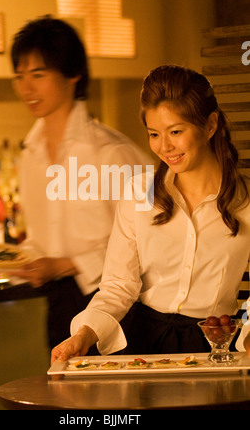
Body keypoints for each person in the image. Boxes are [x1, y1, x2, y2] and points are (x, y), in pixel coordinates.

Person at [51, 64, 250, 363]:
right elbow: (119, 285)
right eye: (154, 134)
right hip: (141, 343)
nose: (164, 146)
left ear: (210, 126)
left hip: (214, 346)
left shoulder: (245, 200)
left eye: (176, 131)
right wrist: (83, 334)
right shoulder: (137, 193)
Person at [11, 15, 153, 352]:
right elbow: (41, 235)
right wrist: (24, 260)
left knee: (112, 405)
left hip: (119, 307)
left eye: (38, 75)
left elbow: (150, 240)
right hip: (60, 303)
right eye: (19, 76)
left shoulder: (111, 152)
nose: (26, 88)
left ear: (73, 74)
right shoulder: (30, 155)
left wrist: (66, 264)